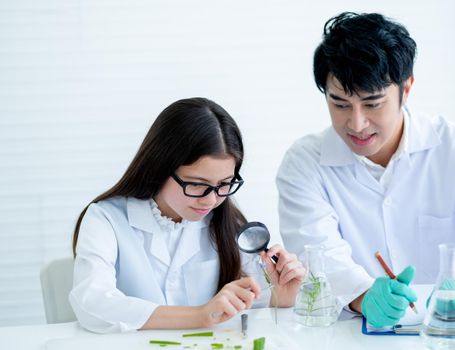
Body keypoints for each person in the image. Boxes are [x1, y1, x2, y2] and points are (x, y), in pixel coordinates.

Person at [276, 12, 455, 328]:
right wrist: (365, 296)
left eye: (373, 103)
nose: (356, 123)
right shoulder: (303, 163)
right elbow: (318, 256)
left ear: (406, 89)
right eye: (339, 104)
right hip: (351, 333)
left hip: (450, 327)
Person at [70, 97, 305, 333]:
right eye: (197, 184)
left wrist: (281, 298)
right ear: (159, 166)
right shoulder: (106, 219)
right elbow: (92, 303)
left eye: (224, 184)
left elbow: (251, 303)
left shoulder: (227, 224)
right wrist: (199, 316)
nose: (212, 200)